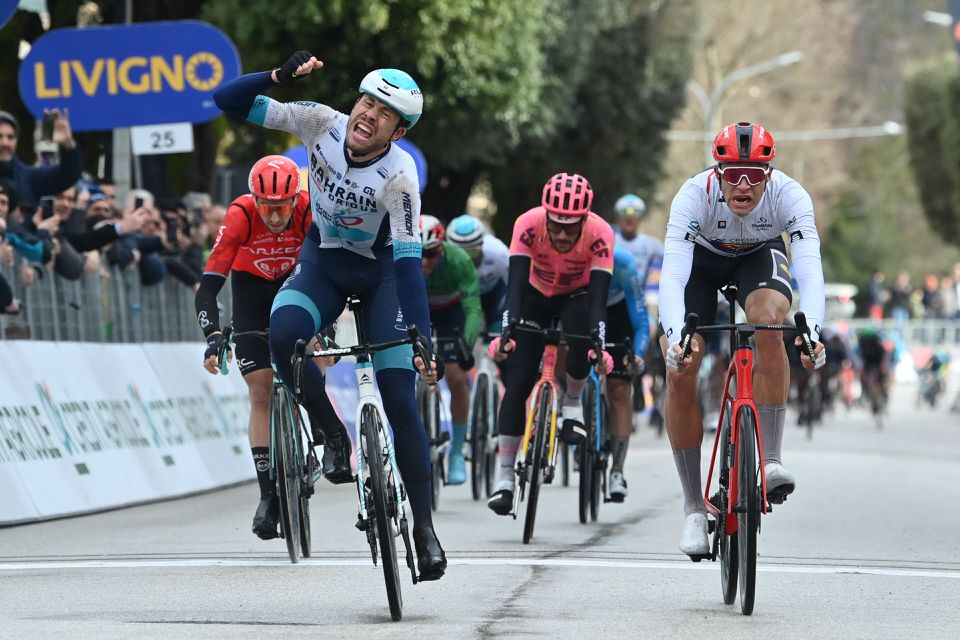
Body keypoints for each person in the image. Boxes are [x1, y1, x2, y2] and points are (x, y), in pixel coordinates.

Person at [213, 50, 447, 580]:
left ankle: (426, 530)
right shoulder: (319, 121)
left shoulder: (401, 174)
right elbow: (226, 99)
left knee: (399, 401)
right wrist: (277, 77)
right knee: (284, 334)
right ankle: (334, 437)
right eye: (367, 101)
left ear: (399, 130)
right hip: (324, 262)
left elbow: (410, 267)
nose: (369, 115)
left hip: (383, 275)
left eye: (385, 113)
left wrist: (420, 337)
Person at [658, 122, 826, 558]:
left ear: (770, 174)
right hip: (702, 262)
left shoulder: (791, 196)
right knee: (682, 364)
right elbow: (673, 276)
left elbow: (808, 268)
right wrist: (677, 338)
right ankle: (694, 507)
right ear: (718, 171)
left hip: (758, 257)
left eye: (755, 173)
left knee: (770, 323)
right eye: (733, 172)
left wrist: (813, 332)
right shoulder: (692, 196)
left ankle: (769, 460)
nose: (744, 183)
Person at [195, 155, 335, 540]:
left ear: (295, 199)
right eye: (267, 208)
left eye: (282, 207)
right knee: (259, 389)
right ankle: (267, 497)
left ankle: (322, 432)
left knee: (312, 354)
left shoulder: (309, 208)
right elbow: (208, 286)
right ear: (255, 199)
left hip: (300, 282)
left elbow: (331, 269)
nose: (275, 217)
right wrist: (212, 338)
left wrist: (326, 327)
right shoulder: (240, 214)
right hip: (252, 288)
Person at [487, 172, 614, 515]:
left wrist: (598, 345)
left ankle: (572, 401)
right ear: (545, 215)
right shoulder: (527, 224)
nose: (560, 233)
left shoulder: (601, 233)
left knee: (581, 334)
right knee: (518, 381)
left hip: (578, 294)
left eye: (570, 228)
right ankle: (505, 480)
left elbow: (599, 302)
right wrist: (507, 332)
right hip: (534, 294)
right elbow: (513, 287)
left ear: (585, 220)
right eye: (555, 224)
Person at [420, 215, 483, 485]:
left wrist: (465, 343)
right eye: (419, 254)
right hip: (418, 310)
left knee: (457, 377)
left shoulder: (459, 260)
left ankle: (457, 453)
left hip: (450, 315)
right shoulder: (401, 259)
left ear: (442, 248)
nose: (424, 261)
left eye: (431, 254)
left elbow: (472, 309)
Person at [605, 246, 650, 502]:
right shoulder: (577, 255)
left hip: (620, 316)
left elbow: (642, 323)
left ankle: (617, 470)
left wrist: (638, 355)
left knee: (620, 391)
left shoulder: (623, 265)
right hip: (587, 309)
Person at [0, 109, 82, 207]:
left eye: (10, 137)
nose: (5, 143)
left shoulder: (28, 177)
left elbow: (68, 175)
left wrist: (68, 145)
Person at [446, 214, 509, 334]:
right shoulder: (447, 258)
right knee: (459, 329)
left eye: (471, 251)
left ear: (481, 244)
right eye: (460, 252)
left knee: (498, 328)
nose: (466, 258)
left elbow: (512, 285)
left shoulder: (499, 253)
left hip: (494, 292)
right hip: (465, 294)